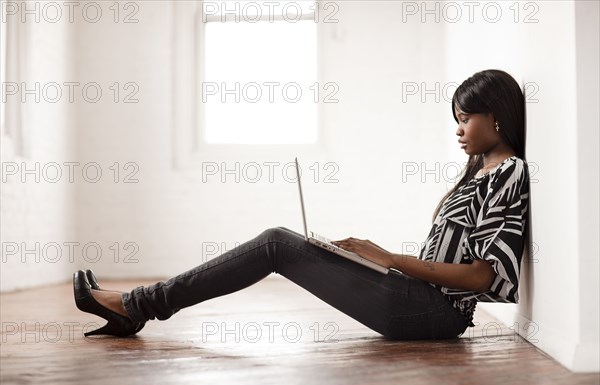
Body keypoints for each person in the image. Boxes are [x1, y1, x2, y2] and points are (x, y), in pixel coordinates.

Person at [73, 69, 530, 340]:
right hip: (418, 296)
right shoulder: (481, 174)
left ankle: (137, 305)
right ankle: (137, 305)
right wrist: (376, 262)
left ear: (495, 116)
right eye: (456, 120)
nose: (458, 130)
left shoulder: (510, 172)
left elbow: (483, 275)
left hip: (437, 313)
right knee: (286, 242)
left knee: (276, 243)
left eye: (465, 118)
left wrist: (392, 259)